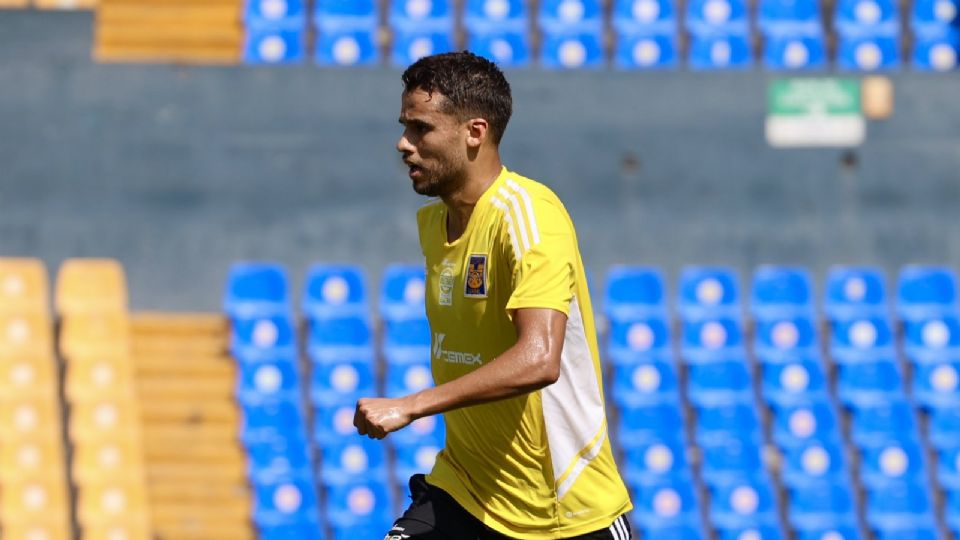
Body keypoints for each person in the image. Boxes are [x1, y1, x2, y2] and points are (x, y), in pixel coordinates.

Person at [354, 51, 633, 540]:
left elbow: (539, 358)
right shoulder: (434, 225)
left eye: (421, 128)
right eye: (404, 126)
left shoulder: (528, 215)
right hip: (465, 492)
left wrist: (413, 404)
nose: (403, 144)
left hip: (560, 513)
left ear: (474, 132)